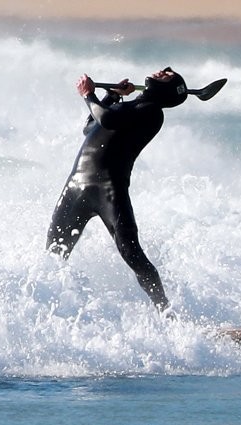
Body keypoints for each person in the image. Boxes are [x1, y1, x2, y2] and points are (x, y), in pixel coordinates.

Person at [46, 67, 188, 314]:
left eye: (169, 73)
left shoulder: (151, 112)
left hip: (109, 190)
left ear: (167, 89)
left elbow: (107, 119)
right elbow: (91, 126)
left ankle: (167, 313)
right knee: (54, 253)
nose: (164, 70)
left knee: (132, 253)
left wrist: (88, 95)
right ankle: (49, 311)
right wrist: (111, 96)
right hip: (76, 186)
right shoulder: (131, 107)